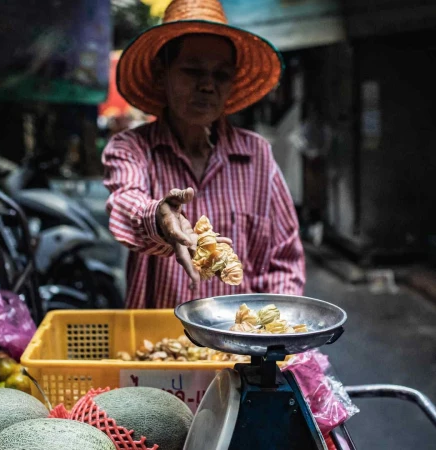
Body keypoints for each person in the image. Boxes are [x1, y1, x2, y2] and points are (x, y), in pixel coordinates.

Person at [103, 0, 304, 309]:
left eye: (221, 75)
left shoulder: (257, 154)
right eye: (192, 71)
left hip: (240, 347)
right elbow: (126, 202)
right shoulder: (132, 149)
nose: (208, 85)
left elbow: (283, 260)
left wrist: (274, 338)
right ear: (161, 74)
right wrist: (161, 218)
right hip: (160, 345)